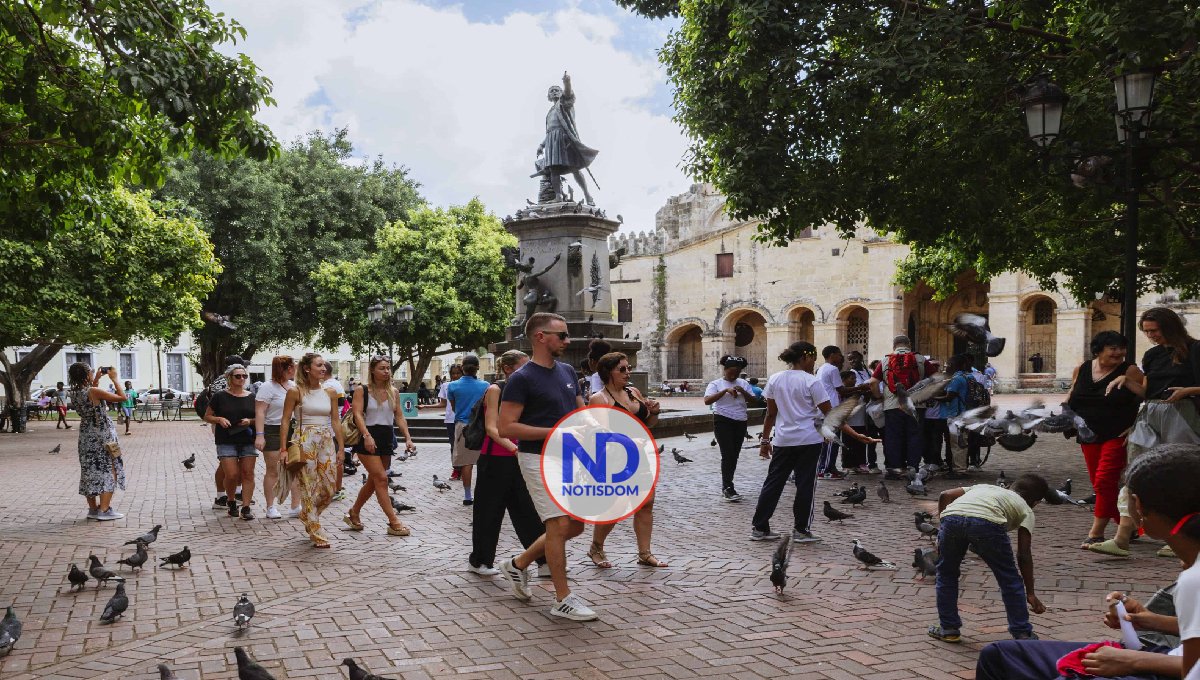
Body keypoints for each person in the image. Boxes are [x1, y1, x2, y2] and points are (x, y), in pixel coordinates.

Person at [975, 443, 1200, 679]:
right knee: (999, 655)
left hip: (1164, 667)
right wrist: (1153, 621)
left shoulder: (1193, 580)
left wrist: (1134, 660)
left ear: (1138, 505)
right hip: (1170, 657)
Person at [497, 312, 596, 621]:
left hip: (569, 456)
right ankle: (562, 597)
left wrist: (606, 430)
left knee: (575, 525)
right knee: (557, 525)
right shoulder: (521, 379)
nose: (568, 341)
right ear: (541, 337)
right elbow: (506, 428)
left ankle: (517, 565)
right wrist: (555, 432)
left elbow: (581, 414)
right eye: (562, 335)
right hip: (537, 458)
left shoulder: (567, 371)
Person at [1090, 308, 1200, 558]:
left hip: (1183, 413)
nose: (1151, 336)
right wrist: (1127, 383)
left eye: (1155, 330)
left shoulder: (1195, 349)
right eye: (1147, 331)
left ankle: (1179, 537)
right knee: (1136, 473)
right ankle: (1121, 539)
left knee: (1179, 475)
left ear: (1170, 327)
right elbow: (1147, 392)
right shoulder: (1152, 355)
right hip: (1150, 413)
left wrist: (1187, 391)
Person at [751, 341, 877, 543]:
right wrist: (856, 435)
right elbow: (831, 415)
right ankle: (801, 530)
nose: (814, 363)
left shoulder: (775, 379)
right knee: (805, 485)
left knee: (773, 483)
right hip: (808, 440)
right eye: (813, 358)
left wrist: (765, 440)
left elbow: (770, 414)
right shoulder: (811, 382)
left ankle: (760, 527)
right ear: (805, 357)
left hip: (783, 440)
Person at [928, 474, 1061, 643]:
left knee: (946, 574)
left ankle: (949, 629)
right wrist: (1031, 593)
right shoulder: (1026, 510)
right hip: (988, 524)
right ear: (1035, 502)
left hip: (952, 518)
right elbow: (1024, 555)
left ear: (1010, 487)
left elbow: (945, 495)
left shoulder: (984, 487)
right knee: (1009, 579)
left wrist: (942, 526)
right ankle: (1022, 633)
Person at [468, 350, 547, 576]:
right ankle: (479, 561)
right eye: (524, 367)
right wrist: (514, 448)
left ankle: (543, 561)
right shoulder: (496, 389)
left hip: (520, 458)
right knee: (488, 511)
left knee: (528, 511)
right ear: (508, 369)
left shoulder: (528, 390)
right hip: (495, 459)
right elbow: (492, 427)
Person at [587, 352, 665, 568]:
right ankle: (596, 547)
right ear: (607, 372)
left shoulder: (633, 392)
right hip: (615, 460)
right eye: (622, 369)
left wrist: (655, 412)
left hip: (640, 457)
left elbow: (649, 423)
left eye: (628, 368)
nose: (627, 372)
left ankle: (644, 553)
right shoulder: (599, 399)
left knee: (645, 504)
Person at [1067, 331, 1144, 548]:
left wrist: (1135, 426)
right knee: (1101, 484)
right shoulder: (1082, 369)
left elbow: (1148, 399)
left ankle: (1096, 533)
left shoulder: (1130, 371)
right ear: (1098, 350)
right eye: (1113, 348)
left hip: (1117, 434)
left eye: (1122, 348)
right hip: (1088, 434)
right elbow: (1072, 395)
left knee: (1104, 480)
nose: (1119, 352)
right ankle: (1127, 526)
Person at [278, 353, 344, 548]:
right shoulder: (295, 391)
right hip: (305, 440)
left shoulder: (330, 391)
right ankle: (316, 530)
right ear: (307, 369)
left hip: (326, 440)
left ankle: (307, 513)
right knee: (309, 486)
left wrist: (340, 447)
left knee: (329, 489)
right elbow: (285, 420)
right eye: (319, 365)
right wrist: (283, 448)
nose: (323, 368)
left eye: (324, 365)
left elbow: (335, 420)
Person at [346, 357, 416, 536]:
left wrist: (408, 437)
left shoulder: (393, 391)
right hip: (368, 437)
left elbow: (399, 416)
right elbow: (357, 415)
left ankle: (353, 512)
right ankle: (394, 521)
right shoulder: (362, 390)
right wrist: (366, 435)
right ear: (372, 371)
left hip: (386, 437)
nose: (386, 371)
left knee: (374, 480)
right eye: (382, 368)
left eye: (388, 368)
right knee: (382, 479)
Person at [869, 335, 936, 480]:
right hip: (916, 405)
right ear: (909, 344)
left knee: (893, 437)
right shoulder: (921, 359)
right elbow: (936, 379)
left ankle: (894, 469)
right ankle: (913, 468)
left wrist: (879, 396)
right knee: (915, 437)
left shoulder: (885, 360)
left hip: (892, 406)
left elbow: (873, 382)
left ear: (894, 346)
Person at [67, 364, 127, 520]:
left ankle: (93, 509)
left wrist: (96, 379)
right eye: (91, 372)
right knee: (109, 468)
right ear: (87, 375)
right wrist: (115, 379)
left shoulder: (74, 392)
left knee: (89, 470)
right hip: (102, 434)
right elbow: (122, 397)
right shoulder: (94, 391)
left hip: (86, 434)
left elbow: (90, 395)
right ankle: (105, 510)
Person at [204, 364, 258, 520]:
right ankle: (231, 500)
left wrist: (250, 421)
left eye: (244, 376)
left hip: (247, 439)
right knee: (232, 474)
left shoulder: (252, 396)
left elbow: (260, 418)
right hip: (226, 439)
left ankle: (246, 507)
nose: (242, 379)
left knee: (248, 474)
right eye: (238, 376)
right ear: (229, 378)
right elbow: (207, 416)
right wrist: (219, 419)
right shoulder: (220, 396)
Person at [254, 355, 300, 520]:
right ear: (288, 368)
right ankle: (270, 506)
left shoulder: (294, 386)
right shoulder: (268, 387)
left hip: (293, 429)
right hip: (273, 429)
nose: (295, 369)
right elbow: (260, 412)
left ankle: (296, 505)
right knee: (273, 469)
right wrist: (260, 435)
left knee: (296, 467)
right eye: (293, 366)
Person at [705, 355, 754, 501]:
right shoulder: (716, 384)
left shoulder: (743, 383)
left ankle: (728, 484)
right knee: (728, 454)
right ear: (725, 370)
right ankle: (727, 487)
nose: (733, 375)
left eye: (737, 372)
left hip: (740, 421)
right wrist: (725, 391)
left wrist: (742, 391)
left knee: (734, 454)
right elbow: (707, 400)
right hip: (722, 420)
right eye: (731, 372)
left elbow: (755, 400)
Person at [205, 354, 247, 511]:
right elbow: (217, 405)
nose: (242, 376)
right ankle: (221, 495)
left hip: (238, 426)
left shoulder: (226, 380)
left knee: (238, 461)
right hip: (224, 425)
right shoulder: (222, 383)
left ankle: (235, 493)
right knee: (226, 462)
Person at [448, 355, 490, 506]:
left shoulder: (452, 386)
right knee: (484, 462)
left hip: (463, 426)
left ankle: (467, 495)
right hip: (482, 425)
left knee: (467, 463)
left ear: (462, 368)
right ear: (477, 367)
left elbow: (454, 407)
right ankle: (484, 493)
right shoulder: (486, 385)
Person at [932, 354, 974, 480]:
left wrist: (933, 397)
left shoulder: (956, 379)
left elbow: (949, 396)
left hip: (956, 414)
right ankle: (960, 468)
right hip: (965, 413)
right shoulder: (968, 376)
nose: (947, 367)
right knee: (961, 442)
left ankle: (960, 470)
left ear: (957, 366)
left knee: (957, 444)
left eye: (950, 364)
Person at [847, 352, 881, 473]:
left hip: (866, 410)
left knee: (864, 435)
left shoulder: (868, 372)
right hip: (856, 410)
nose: (852, 361)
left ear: (861, 358)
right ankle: (852, 464)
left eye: (854, 358)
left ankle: (864, 462)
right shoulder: (852, 373)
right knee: (854, 437)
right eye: (849, 360)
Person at [319, 363, 348, 501]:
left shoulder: (328, 387)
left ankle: (336, 489)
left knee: (335, 461)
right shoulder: (335, 384)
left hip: (330, 428)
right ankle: (337, 488)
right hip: (333, 428)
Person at [432, 364, 464, 480]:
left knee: (465, 446)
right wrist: (425, 405)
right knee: (454, 446)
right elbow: (443, 404)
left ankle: (465, 469)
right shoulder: (445, 386)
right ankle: (456, 469)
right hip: (450, 420)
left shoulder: (466, 386)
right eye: (453, 373)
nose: (455, 375)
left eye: (458, 373)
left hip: (464, 419)